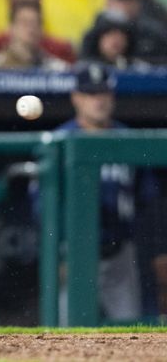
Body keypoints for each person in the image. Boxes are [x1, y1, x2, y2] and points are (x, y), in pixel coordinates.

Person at [55, 64, 160, 322]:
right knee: (65, 333)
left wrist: (154, 251)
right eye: (91, 94)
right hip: (75, 253)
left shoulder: (128, 139)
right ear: (76, 98)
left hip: (120, 253)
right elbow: (45, 205)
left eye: (103, 93)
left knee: (130, 330)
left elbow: (147, 200)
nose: (98, 100)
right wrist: (57, 254)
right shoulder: (61, 139)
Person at [0, 0, 76, 65]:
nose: (31, 29)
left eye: (35, 23)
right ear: (11, 27)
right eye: (25, 23)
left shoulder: (58, 71)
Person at [81, 0, 167, 66]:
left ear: (139, 3)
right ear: (108, 1)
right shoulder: (96, 32)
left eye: (130, 0)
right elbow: (84, 64)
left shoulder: (152, 33)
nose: (125, 5)